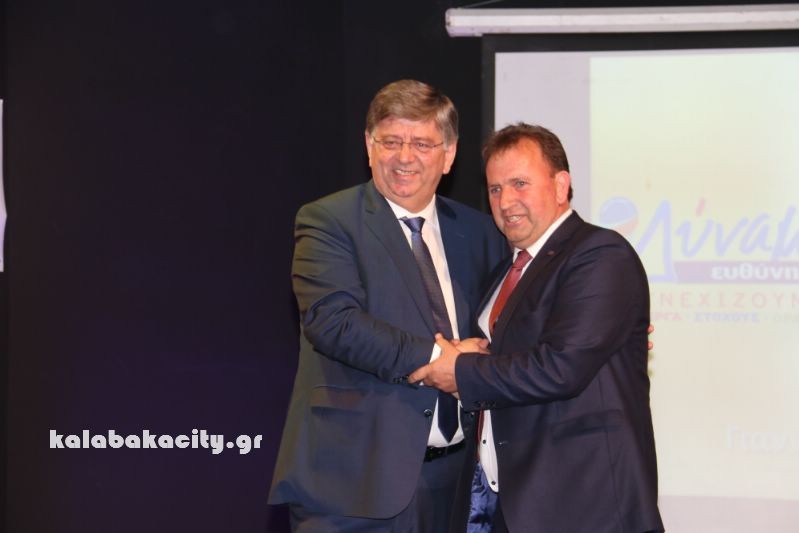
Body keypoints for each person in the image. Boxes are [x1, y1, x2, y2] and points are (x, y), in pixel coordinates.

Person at [268, 80, 509, 531]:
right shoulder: (328, 220)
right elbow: (333, 323)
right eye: (391, 141)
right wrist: (441, 360)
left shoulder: (478, 232)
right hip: (353, 485)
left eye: (422, 144)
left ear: (449, 154)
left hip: (455, 484)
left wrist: (601, 326)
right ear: (369, 145)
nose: (404, 157)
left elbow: (511, 316)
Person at [410, 123, 664, 532]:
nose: (505, 201)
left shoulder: (600, 254)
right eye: (495, 189)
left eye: (520, 184)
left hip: (584, 506)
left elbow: (561, 367)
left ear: (561, 186)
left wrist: (459, 370)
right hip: (506, 502)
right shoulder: (504, 271)